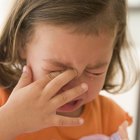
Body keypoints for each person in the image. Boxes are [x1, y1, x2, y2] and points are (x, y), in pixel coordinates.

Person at [0, 0, 138, 140]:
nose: (77, 86)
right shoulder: (4, 104)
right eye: (57, 70)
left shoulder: (110, 119)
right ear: (21, 45)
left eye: (94, 72)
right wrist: (11, 122)